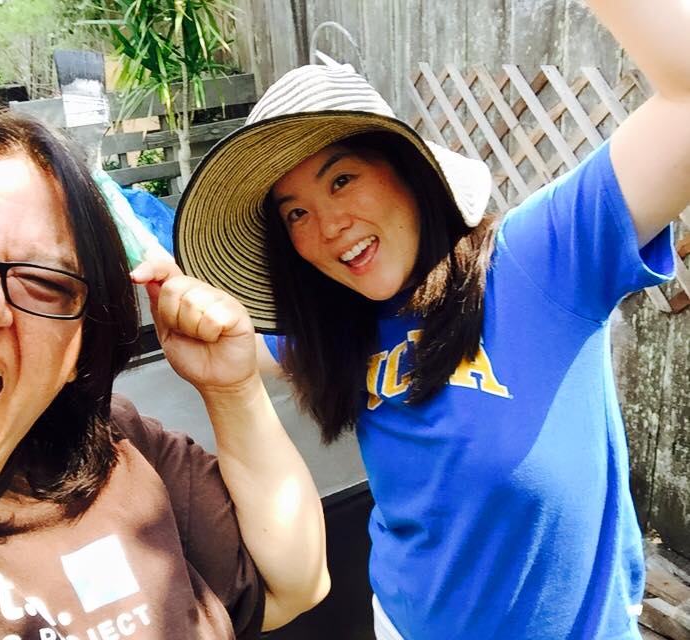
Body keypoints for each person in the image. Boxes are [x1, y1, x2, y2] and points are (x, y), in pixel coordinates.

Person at [171, 1, 689, 638]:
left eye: (342, 180)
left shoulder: (540, 261)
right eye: (295, 213)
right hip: (401, 621)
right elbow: (236, 343)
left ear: (409, 171)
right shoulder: (338, 325)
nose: (328, 226)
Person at [0, 109, 328, 639]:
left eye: (45, 283)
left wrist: (232, 390)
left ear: (77, 351)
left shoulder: (119, 448)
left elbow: (293, 586)